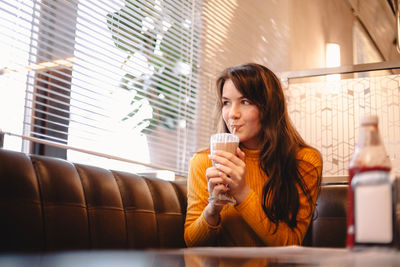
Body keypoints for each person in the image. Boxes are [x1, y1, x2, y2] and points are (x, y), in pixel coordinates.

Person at [184, 63, 322, 247]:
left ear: (269, 107)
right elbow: (192, 244)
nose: (232, 114)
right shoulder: (204, 162)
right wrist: (213, 208)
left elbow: (290, 243)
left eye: (245, 102)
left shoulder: (304, 160)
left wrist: (242, 191)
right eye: (226, 102)